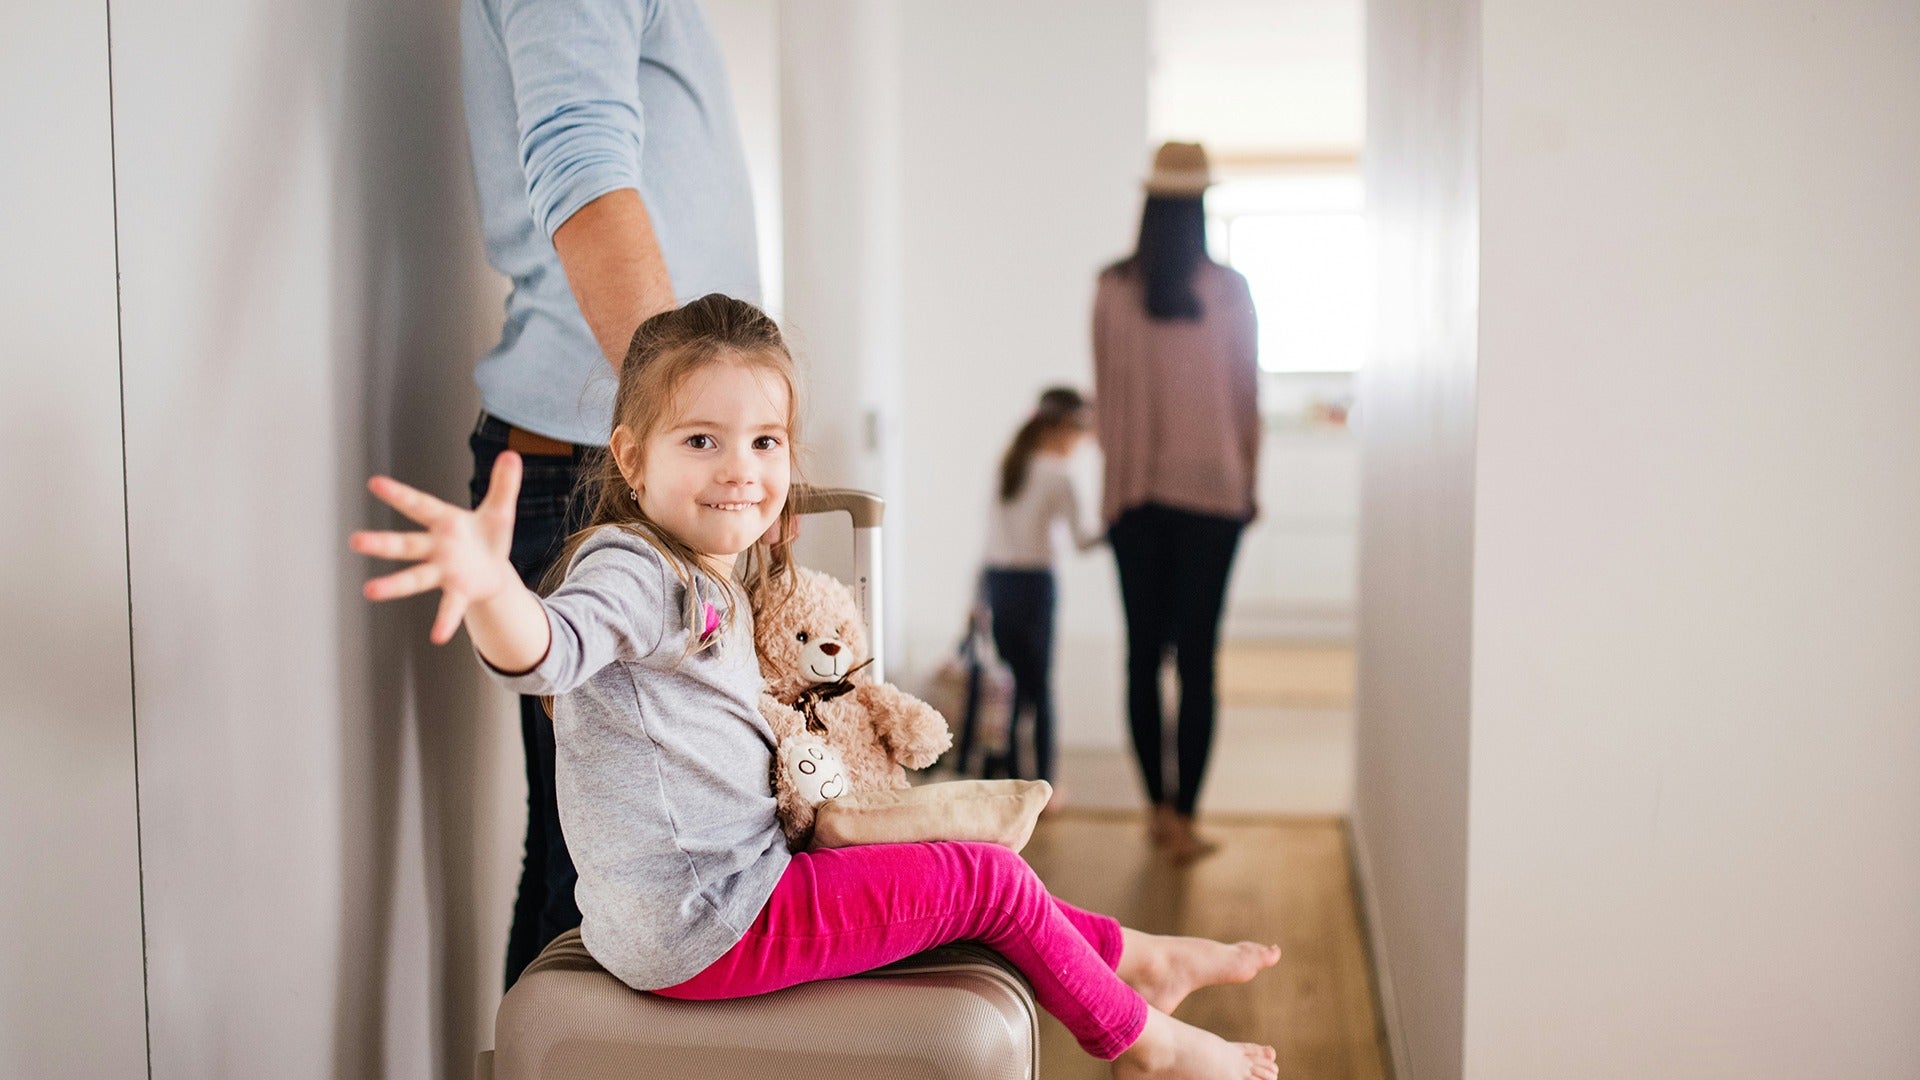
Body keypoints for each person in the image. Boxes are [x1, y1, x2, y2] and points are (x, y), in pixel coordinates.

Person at [352, 295, 1282, 1080]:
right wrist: (491, 591)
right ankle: (1144, 1041)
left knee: (962, 876)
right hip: (710, 924)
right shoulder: (634, 570)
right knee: (985, 878)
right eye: (702, 439)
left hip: (730, 890)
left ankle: (1133, 957)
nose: (740, 470)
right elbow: (548, 651)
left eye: (764, 440)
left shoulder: (706, 568)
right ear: (632, 461)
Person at [459, 0, 762, 985]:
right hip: (607, 476)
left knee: (583, 880)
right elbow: (585, 172)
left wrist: (728, 454)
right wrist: (701, 440)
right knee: (601, 899)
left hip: (633, 463)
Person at [1092, 143, 1260, 864]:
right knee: (1199, 660)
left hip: (1136, 499)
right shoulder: (1228, 289)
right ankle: (1184, 817)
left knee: (1141, 658)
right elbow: (1247, 396)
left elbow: (1109, 400)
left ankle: (1158, 810)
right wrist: (1247, 485)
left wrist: (1116, 495)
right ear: (1198, 206)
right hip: (1215, 498)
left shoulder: (1112, 289)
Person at [972, 387, 1103, 788]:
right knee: (1040, 690)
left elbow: (990, 540)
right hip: (1034, 586)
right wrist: (1119, 526)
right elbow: (1083, 541)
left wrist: (976, 598)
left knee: (1010, 687)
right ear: (1065, 428)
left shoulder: (1010, 466)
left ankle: (1012, 779)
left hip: (997, 582)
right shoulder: (1058, 474)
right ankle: (1046, 783)